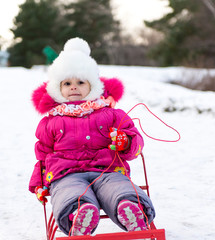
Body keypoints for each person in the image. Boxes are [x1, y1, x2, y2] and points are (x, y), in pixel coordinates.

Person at [29, 38, 155, 236]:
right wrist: (39, 183)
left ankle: (130, 209)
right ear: (57, 88)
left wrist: (125, 141)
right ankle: (78, 214)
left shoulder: (111, 113)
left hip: (108, 169)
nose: (73, 87)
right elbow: (43, 154)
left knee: (118, 187)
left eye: (80, 82)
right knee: (70, 192)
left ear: (93, 86)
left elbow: (136, 141)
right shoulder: (50, 122)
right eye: (67, 83)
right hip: (67, 174)